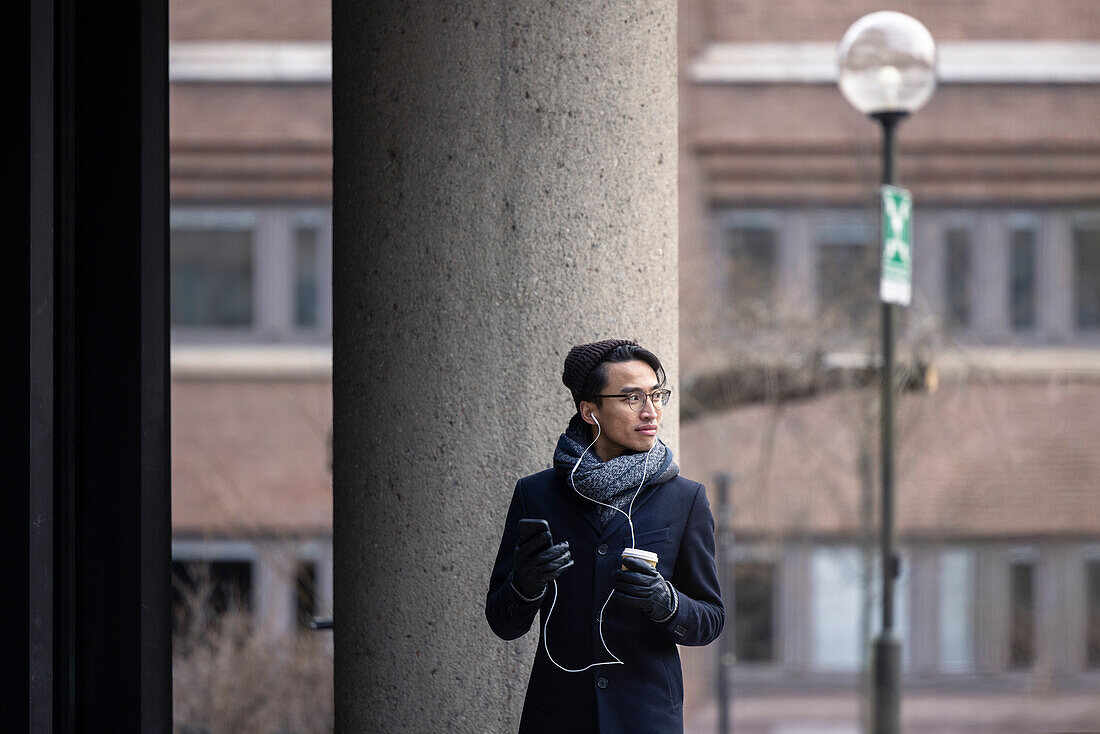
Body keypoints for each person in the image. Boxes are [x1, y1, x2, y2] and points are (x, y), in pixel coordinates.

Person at [486, 339, 724, 734]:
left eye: (657, 395)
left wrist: (665, 602)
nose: (651, 412)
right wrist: (525, 586)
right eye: (631, 398)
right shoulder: (536, 494)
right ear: (589, 410)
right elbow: (503, 623)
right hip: (557, 718)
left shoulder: (686, 498)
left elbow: (711, 619)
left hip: (645, 718)